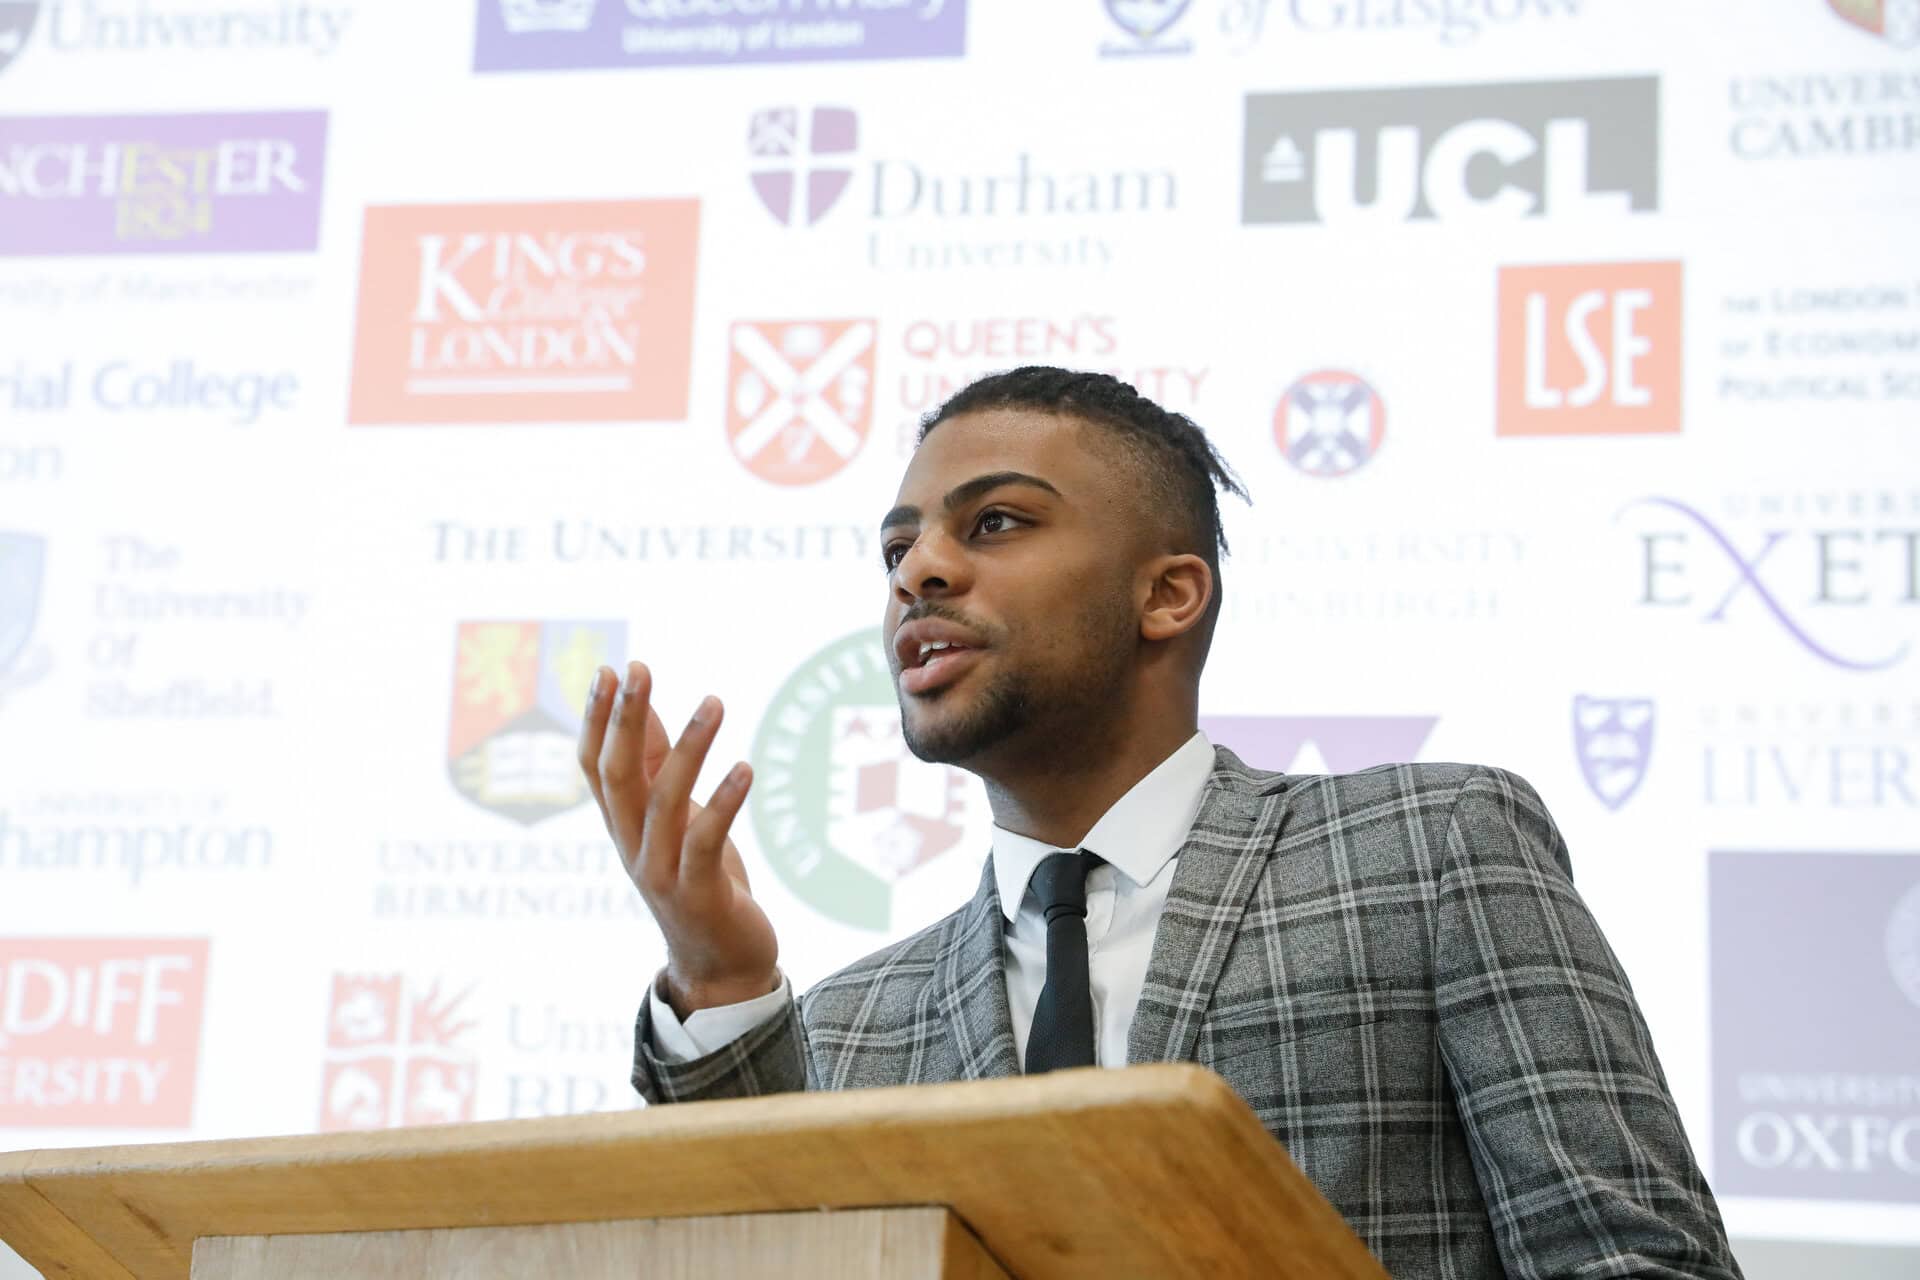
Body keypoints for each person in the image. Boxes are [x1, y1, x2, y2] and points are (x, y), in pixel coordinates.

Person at [577, 367, 1743, 1280]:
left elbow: (1640, 1258)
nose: (918, 570)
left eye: (994, 525)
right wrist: (722, 979)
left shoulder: (1430, 848)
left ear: (1167, 593)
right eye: (898, 546)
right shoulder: (851, 1023)